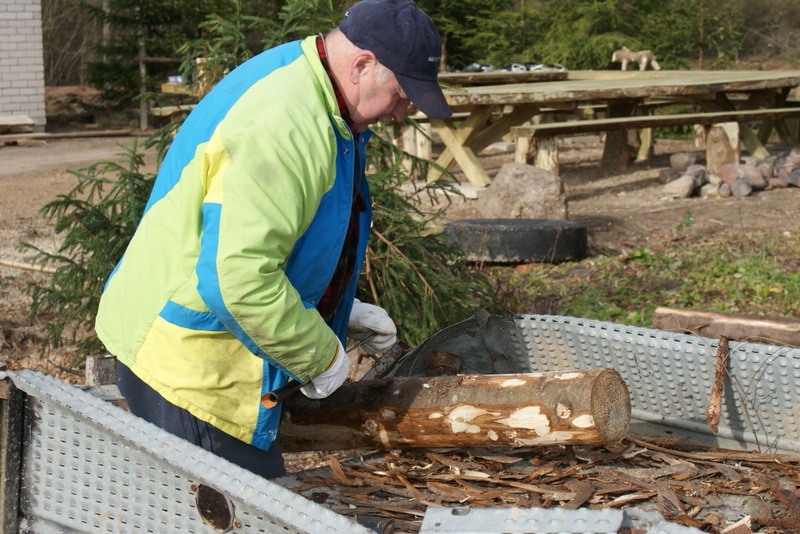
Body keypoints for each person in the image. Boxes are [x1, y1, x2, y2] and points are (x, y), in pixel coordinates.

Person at [94, 0, 452, 478]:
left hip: (201, 342)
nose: (402, 114)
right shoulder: (286, 124)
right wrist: (320, 355)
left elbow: (268, 240)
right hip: (193, 369)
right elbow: (238, 280)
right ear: (362, 65)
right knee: (250, 511)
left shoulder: (308, 83)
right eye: (400, 94)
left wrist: (340, 311)